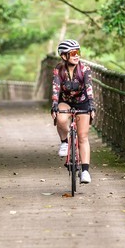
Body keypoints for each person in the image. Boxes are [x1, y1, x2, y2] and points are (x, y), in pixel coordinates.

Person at [50, 39, 96, 184]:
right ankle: (64, 142)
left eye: (78, 52)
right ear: (64, 56)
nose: (77, 56)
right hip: (66, 101)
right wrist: (54, 105)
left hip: (83, 101)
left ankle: (85, 171)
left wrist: (91, 106)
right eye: (73, 53)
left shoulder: (85, 69)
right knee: (61, 118)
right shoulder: (59, 70)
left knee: (82, 136)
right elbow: (55, 88)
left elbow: (89, 88)